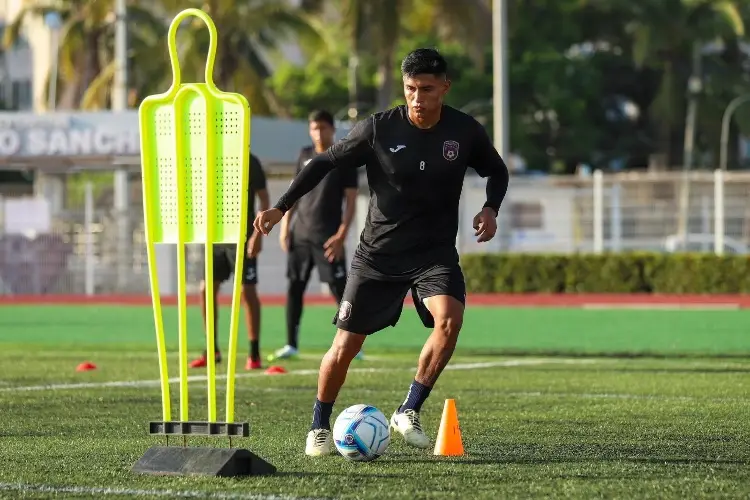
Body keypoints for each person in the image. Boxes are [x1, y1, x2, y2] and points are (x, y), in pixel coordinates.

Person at [253, 48, 509, 456]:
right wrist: (280, 207)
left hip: (434, 254)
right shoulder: (378, 129)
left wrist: (490, 208)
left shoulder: (465, 131)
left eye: (427, 89)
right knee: (345, 347)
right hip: (378, 256)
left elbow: (497, 170)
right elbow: (323, 163)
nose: (418, 99)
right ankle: (319, 424)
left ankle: (408, 410)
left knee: (450, 320)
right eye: (410, 89)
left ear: (445, 87)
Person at [268, 110, 363, 362]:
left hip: (328, 237)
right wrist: (285, 227)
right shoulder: (304, 155)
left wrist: (342, 234)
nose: (318, 132)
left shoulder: (344, 158)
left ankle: (353, 343)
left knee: (340, 290)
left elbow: (351, 201)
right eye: (314, 128)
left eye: (323, 127)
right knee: (295, 288)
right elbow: (294, 192)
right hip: (301, 235)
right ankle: (291, 344)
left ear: (332, 129)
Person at [190, 152, 269, 371]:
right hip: (215, 237)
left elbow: (263, 198)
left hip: (243, 237)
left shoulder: (249, 160)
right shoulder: (208, 156)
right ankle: (211, 349)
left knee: (247, 292)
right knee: (205, 289)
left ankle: (254, 353)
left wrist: (258, 235)